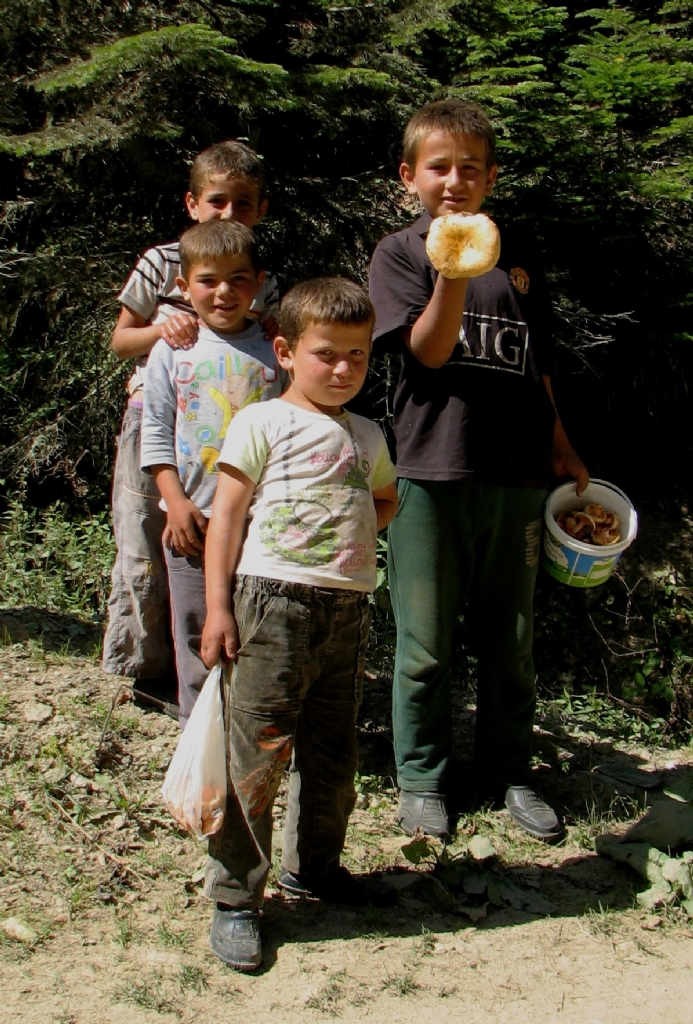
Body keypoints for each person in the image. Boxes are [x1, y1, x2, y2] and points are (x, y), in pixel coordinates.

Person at [368, 99, 589, 842]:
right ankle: (423, 778)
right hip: (429, 471)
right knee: (425, 642)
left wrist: (560, 442)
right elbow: (426, 351)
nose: (454, 180)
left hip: (516, 475)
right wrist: (452, 267)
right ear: (410, 176)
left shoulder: (518, 258)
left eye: (470, 168)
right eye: (439, 167)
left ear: (491, 176)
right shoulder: (399, 254)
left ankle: (510, 773)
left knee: (511, 638)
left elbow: (539, 363)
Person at [200, 278, 399, 971]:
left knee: (332, 755)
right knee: (255, 758)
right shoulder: (260, 421)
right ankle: (234, 899)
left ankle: (314, 869)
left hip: (345, 611)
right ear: (284, 351)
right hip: (269, 603)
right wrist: (219, 606)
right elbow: (226, 514)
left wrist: (345, 543)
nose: (343, 369)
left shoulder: (367, 432)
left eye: (357, 355)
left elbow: (383, 498)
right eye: (326, 354)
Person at [102, 141, 279, 716]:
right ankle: (152, 676)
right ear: (193, 201)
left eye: (243, 203)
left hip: (234, 436)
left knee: (220, 554)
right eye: (217, 201)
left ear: (261, 210)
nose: (228, 213)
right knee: (146, 544)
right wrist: (164, 331)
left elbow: (274, 347)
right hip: (157, 421)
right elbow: (119, 339)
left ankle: (227, 685)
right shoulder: (162, 261)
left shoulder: (258, 277)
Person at [141, 219, 285, 727]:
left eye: (239, 279)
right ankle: (197, 737)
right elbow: (154, 429)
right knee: (197, 632)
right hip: (193, 524)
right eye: (208, 280)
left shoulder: (277, 350)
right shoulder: (171, 350)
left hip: (263, 525)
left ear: (260, 282)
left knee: (256, 632)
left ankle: (252, 734)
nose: (224, 292)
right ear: (183, 286)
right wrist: (174, 503)